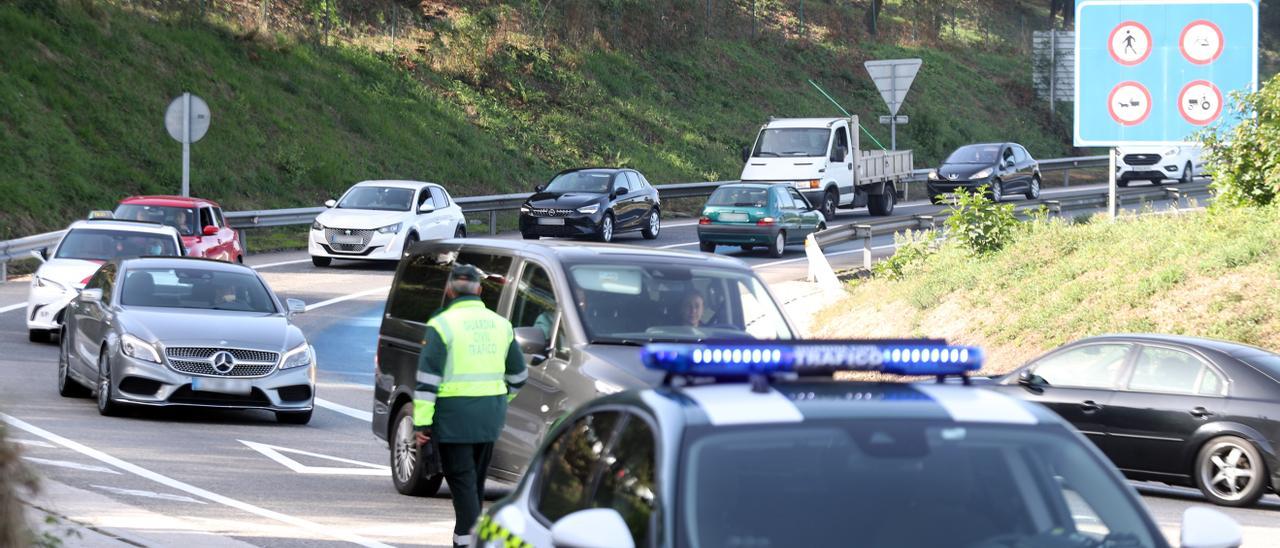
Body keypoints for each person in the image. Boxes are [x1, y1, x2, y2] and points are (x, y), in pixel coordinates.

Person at [414, 264, 526, 548]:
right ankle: (465, 540)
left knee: (464, 489)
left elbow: (427, 380)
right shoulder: (501, 325)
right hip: (489, 418)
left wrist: (422, 424)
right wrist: (498, 399)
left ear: (449, 290)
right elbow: (518, 377)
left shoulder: (442, 325)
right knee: (473, 485)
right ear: (479, 289)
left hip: (453, 420)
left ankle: (473, 542)